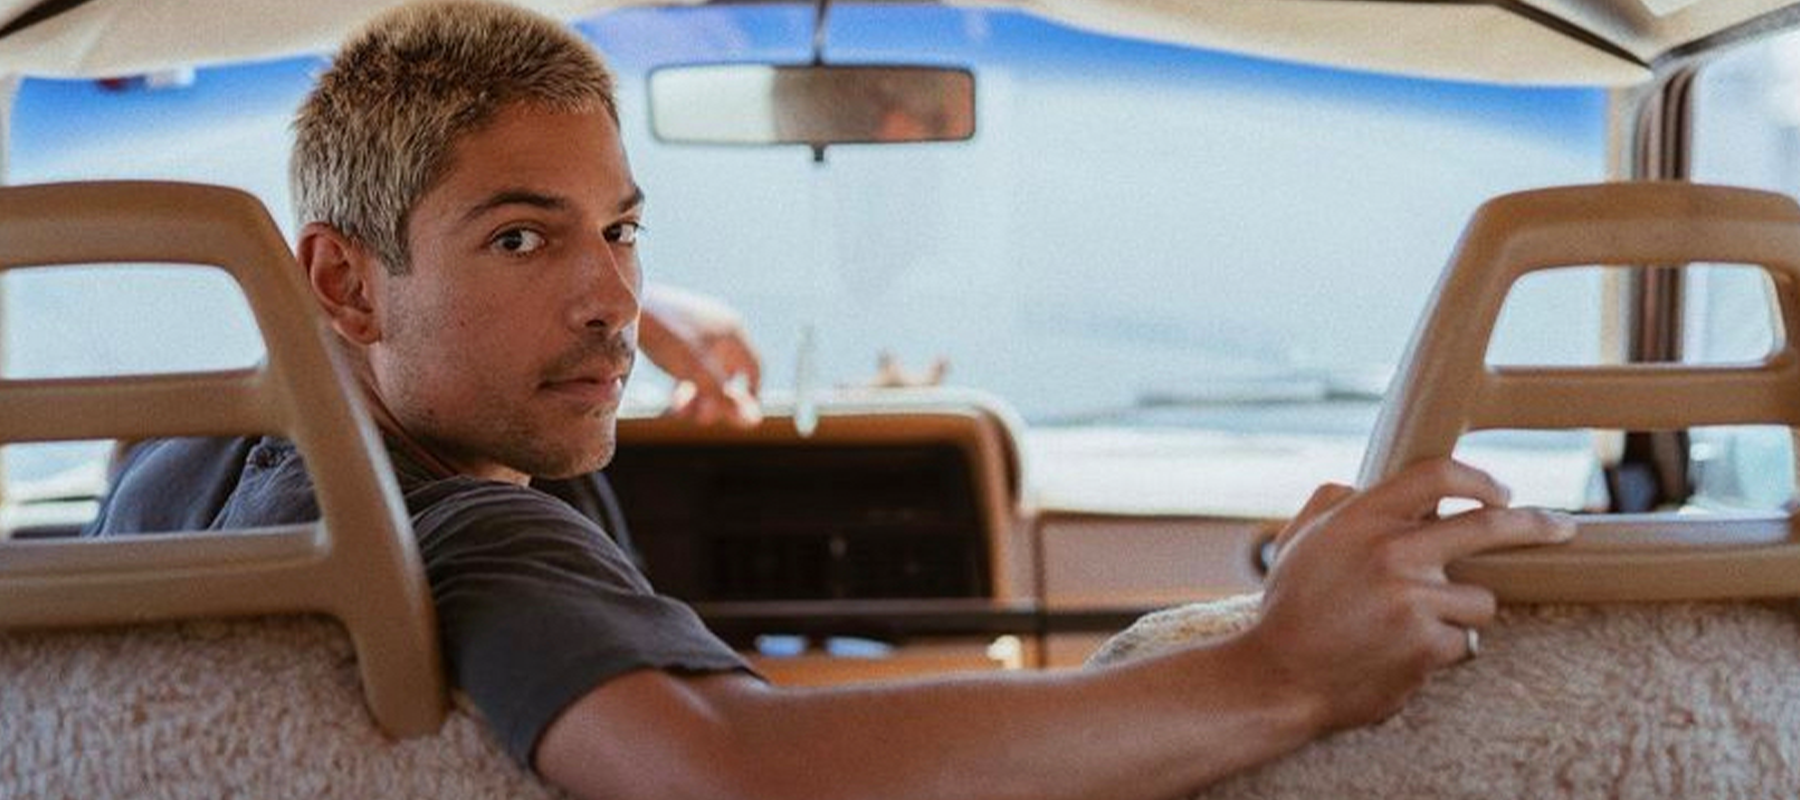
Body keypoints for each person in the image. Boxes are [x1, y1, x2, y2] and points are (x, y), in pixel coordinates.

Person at [88, 2, 1576, 798]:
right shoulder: (470, 531)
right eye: (522, 236)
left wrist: (567, 282)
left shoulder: (198, 432)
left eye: (625, 228)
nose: (605, 295)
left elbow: (325, 302)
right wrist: (1277, 671)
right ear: (348, 285)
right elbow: (730, 769)